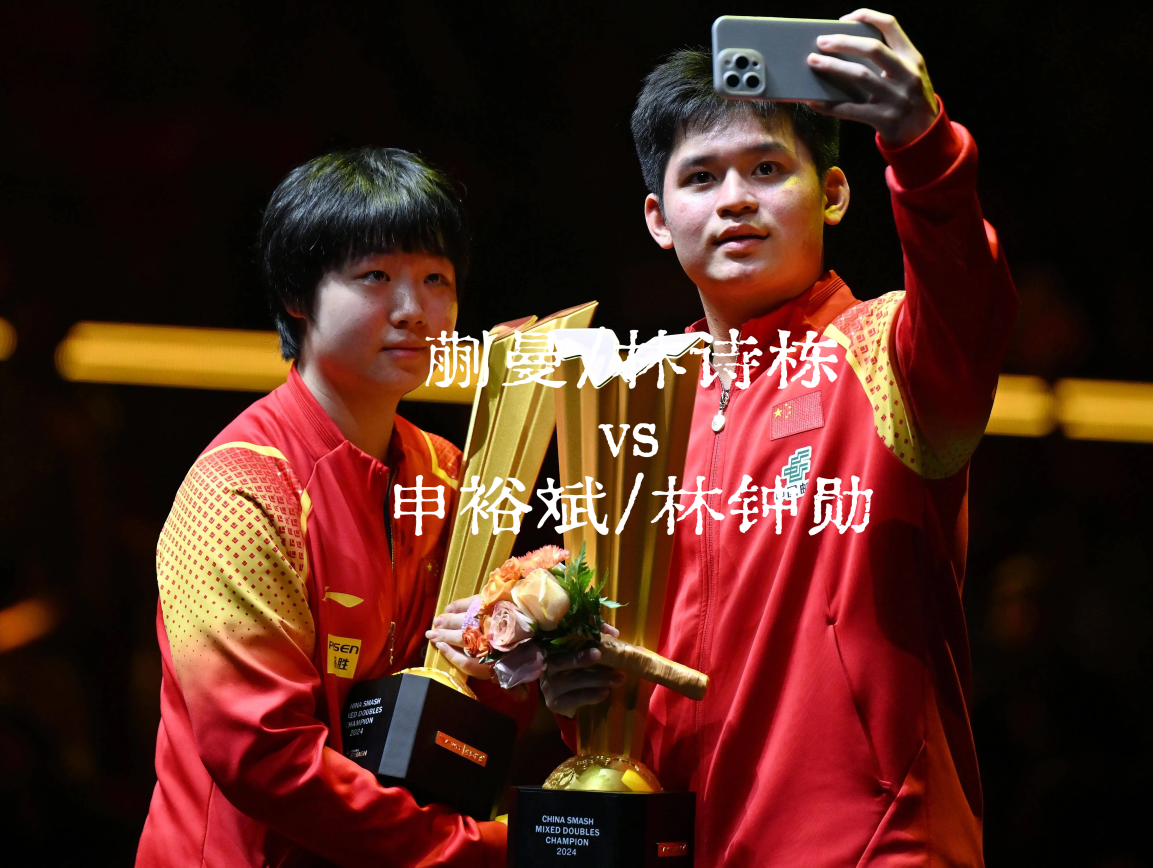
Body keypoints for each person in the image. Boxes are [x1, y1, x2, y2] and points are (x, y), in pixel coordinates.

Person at [540, 9, 1017, 866]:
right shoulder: (637, 407)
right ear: (658, 218)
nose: (734, 199)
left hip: (871, 848)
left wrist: (922, 145)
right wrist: (571, 685)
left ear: (831, 193)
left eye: (766, 168)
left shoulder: (888, 356)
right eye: (701, 177)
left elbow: (965, 292)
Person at [136, 148, 523, 868]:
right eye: (375, 276)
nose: (413, 311)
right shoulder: (239, 492)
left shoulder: (446, 473)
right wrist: (481, 852)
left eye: (435, 279)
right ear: (297, 295)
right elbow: (264, 758)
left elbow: (473, 699)